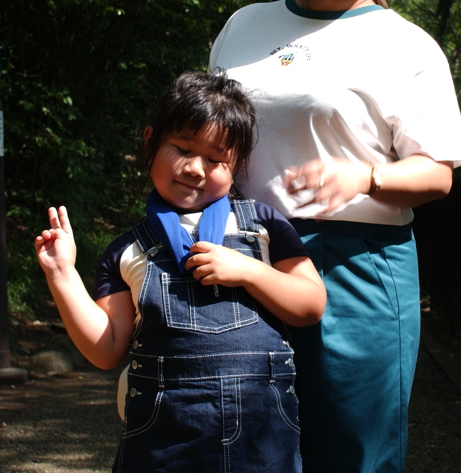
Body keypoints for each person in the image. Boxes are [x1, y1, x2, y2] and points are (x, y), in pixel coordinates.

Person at [209, 0, 461, 472]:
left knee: (353, 448)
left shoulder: (406, 46)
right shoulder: (243, 24)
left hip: (355, 265)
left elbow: (438, 176)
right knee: (242, 440)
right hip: (243, 251)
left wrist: (366, 178)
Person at [34, 70, 327, 473]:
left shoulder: (262, 224)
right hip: (163, 439)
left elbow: (310, 304)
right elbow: (106, 350)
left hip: (264, 433)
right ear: (150, 141)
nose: (195, 168)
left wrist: (247, 270)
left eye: (215, 159)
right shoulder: (125, 251)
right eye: (182, 148)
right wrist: (62, 274)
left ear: (236, 164)